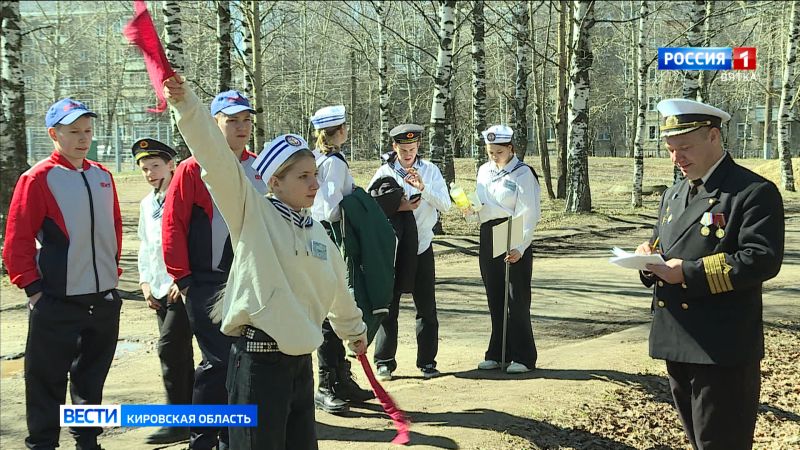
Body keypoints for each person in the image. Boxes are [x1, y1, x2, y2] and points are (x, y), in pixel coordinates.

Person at [163, 76, 367, 450]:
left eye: (315, 175)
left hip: (299, 368)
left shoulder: (317, 232)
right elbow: (215, 159)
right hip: (256, 368)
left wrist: (353, 329)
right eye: (303, 177)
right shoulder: (252, 215)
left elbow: (338, 287)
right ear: (274, 182)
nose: (315, 184)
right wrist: (187, 105)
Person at [635, 98, 785, 450]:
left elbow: (761, 259)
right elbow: (667, 248)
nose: (677, 158)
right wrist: (648, 259)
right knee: (700, 440)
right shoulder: (674, 195)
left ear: (714, 136)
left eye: (685, 147)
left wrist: (687, 273)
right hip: (677, 338)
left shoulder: (752, 192)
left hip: (721, 345)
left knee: (721, 443)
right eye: (671, 149)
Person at [3, 98, 122, 450]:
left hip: (102, 301)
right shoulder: (38, 178)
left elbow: (113, 228)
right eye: (74, 132)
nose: (83, 138)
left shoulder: (102, 175)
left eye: (87, 131)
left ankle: (88, 441)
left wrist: (112, 275)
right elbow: (17, 239)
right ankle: (43, 444)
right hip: (55, 301)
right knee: (46, 381)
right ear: (54, 134)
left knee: (91, 379)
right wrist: (33, 290)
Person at [161, 89, 267, 450]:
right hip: (206, 282)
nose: (241, 127)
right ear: (214, 123)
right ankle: (202, 438)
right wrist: (185, 279)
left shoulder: (260, 166)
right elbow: (172, 224)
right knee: (219, 360)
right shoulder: (192, 168)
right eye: (232, 120)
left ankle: (229, 436)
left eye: (246, 120)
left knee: (243, 362)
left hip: (251, 282)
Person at [368, 124, 452, 380]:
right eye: (403, 149)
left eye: (412, 149)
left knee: (426, 307)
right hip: (392, 250)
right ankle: (384, 361)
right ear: (394, 148)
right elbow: (372, 208)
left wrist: (424, 188)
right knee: (388, 307)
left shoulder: (430, 170)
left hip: (422, 246)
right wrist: (399, 205)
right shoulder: (384, 173)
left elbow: (446, 206)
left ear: (418, 148)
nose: (408, 154)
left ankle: (427, 361)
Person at [308, 105, 374, 413]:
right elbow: (329, 208)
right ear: (341, 130)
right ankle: (326, 383)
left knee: (331, 306)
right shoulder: (332, 163)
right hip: (330, 236)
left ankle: (340, 378)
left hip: (318, 235)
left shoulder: (317, 157)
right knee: (330, 309)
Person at [133, 138, 193, 445]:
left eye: (155, 166)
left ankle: (178, 420)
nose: (149, 173)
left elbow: (191, 243)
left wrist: (178, 280)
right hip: (157, 289)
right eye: (144, 168)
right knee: (177, 354)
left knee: (169, 349)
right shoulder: (147, 203)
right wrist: (145, 283)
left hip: (179, 290)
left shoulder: (182, 197)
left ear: (172, 165)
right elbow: (146, 245)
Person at [471, 125, 541, 374]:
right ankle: (498, 351)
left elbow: (529, 213)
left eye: (499, 152)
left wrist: (520, 246)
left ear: (511, 148)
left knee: (516, 296)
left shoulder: (522, 174)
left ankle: (523, 355)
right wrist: (470, 211)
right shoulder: (484, 171)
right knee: (495, 295)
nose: (494, 156)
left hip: (512, 228)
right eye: (490, 152)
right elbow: (480, 205)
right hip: (489, 231)